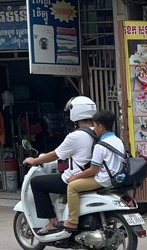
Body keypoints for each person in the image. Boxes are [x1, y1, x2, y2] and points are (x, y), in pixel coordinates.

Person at [23, 97, 97, 236]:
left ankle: (52, 223)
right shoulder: (100, 131)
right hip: (96, 176)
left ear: (74, 114)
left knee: (37, 183)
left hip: (76, 178)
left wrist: (34, 160)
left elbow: (55, 154)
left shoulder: (75, 136)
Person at [62, 110, 127, 231]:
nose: (94, 129)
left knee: (72, 187)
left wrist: (75, 177)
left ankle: (72, 221)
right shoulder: (118, 141)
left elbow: (93, 170)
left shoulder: (100, 146)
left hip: (103, 180)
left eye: (95, 126)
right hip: (116, 177)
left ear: (100, 127)